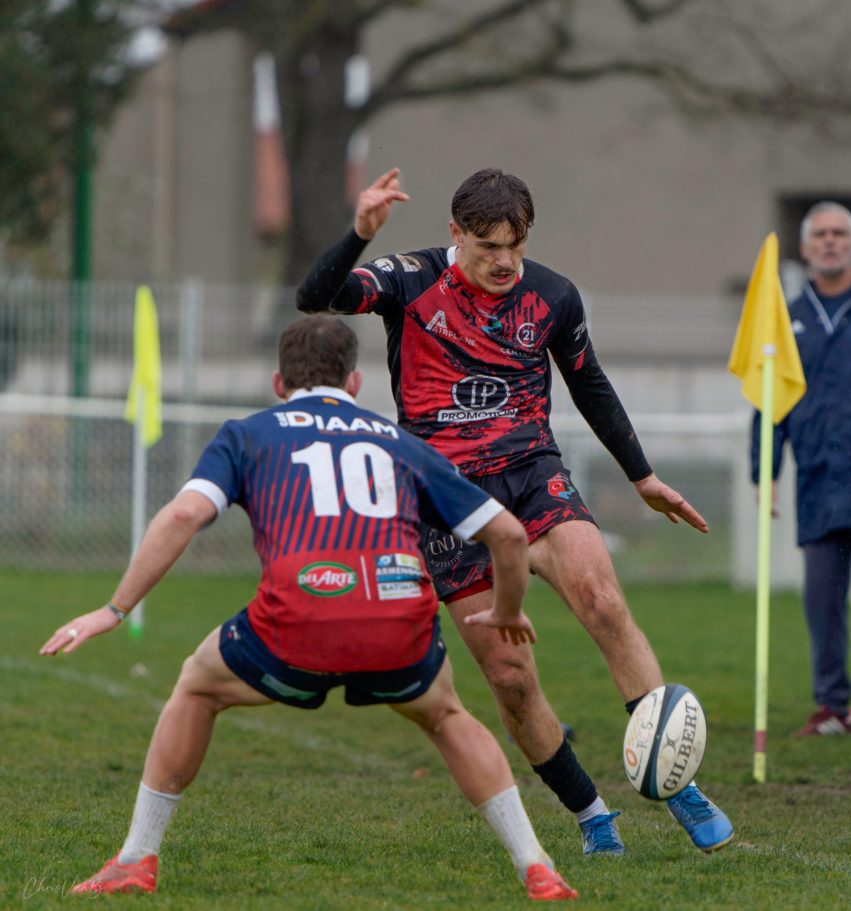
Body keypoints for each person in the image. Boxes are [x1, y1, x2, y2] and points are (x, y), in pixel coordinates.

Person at [40, 315, 578, 901]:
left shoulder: (247, 434)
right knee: (447, 715)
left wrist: (114, 610)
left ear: (279, 383)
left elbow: (181, 516)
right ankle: (536, 865)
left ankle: (137, 859)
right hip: (397, 621)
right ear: (354, 382)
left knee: (197, 686)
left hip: (297, 622)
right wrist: (507, 610)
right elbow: (508, 535)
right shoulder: (400, 443)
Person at [296, 168, 733, 854]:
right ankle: (591, 815)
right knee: (510, 679)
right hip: (446, 501)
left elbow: (589, 383)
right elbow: (314, 297)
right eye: (487, 244)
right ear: (454, 234)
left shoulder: (552, 295)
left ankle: (675, 780)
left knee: (602, 600)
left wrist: (641, 475)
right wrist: (359, 233)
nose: (503, 260)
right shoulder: (408, 279)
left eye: (515, 244)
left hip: (532, 476)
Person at [751, 201, 851, 736]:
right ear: (805, 248)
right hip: (820, 485)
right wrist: (765, 472)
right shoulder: (787, 317)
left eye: (840, 232)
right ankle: (832, 708)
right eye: (819, 234)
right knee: (821, 604)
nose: (830, 241)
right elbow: (768, 403)